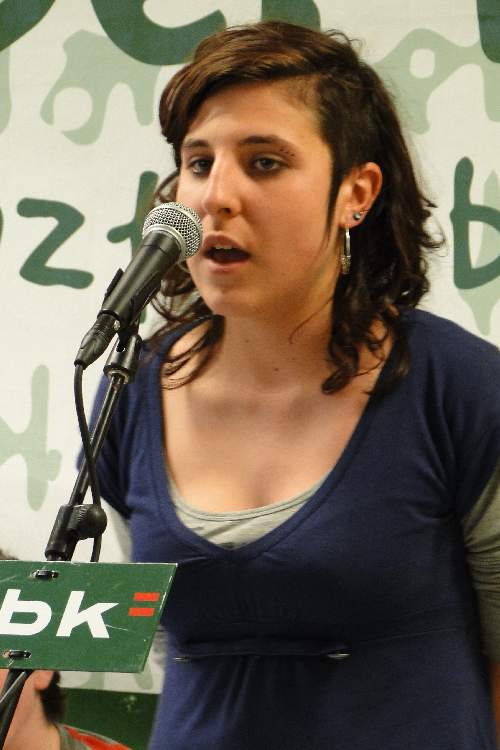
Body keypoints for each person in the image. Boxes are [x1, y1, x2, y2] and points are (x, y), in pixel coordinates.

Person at [91, 21, 500, 749]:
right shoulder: (130, 388)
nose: (216, 197)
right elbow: (156, 639)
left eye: (265, 162)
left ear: (356, 193)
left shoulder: (460, 387)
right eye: (198, 162)